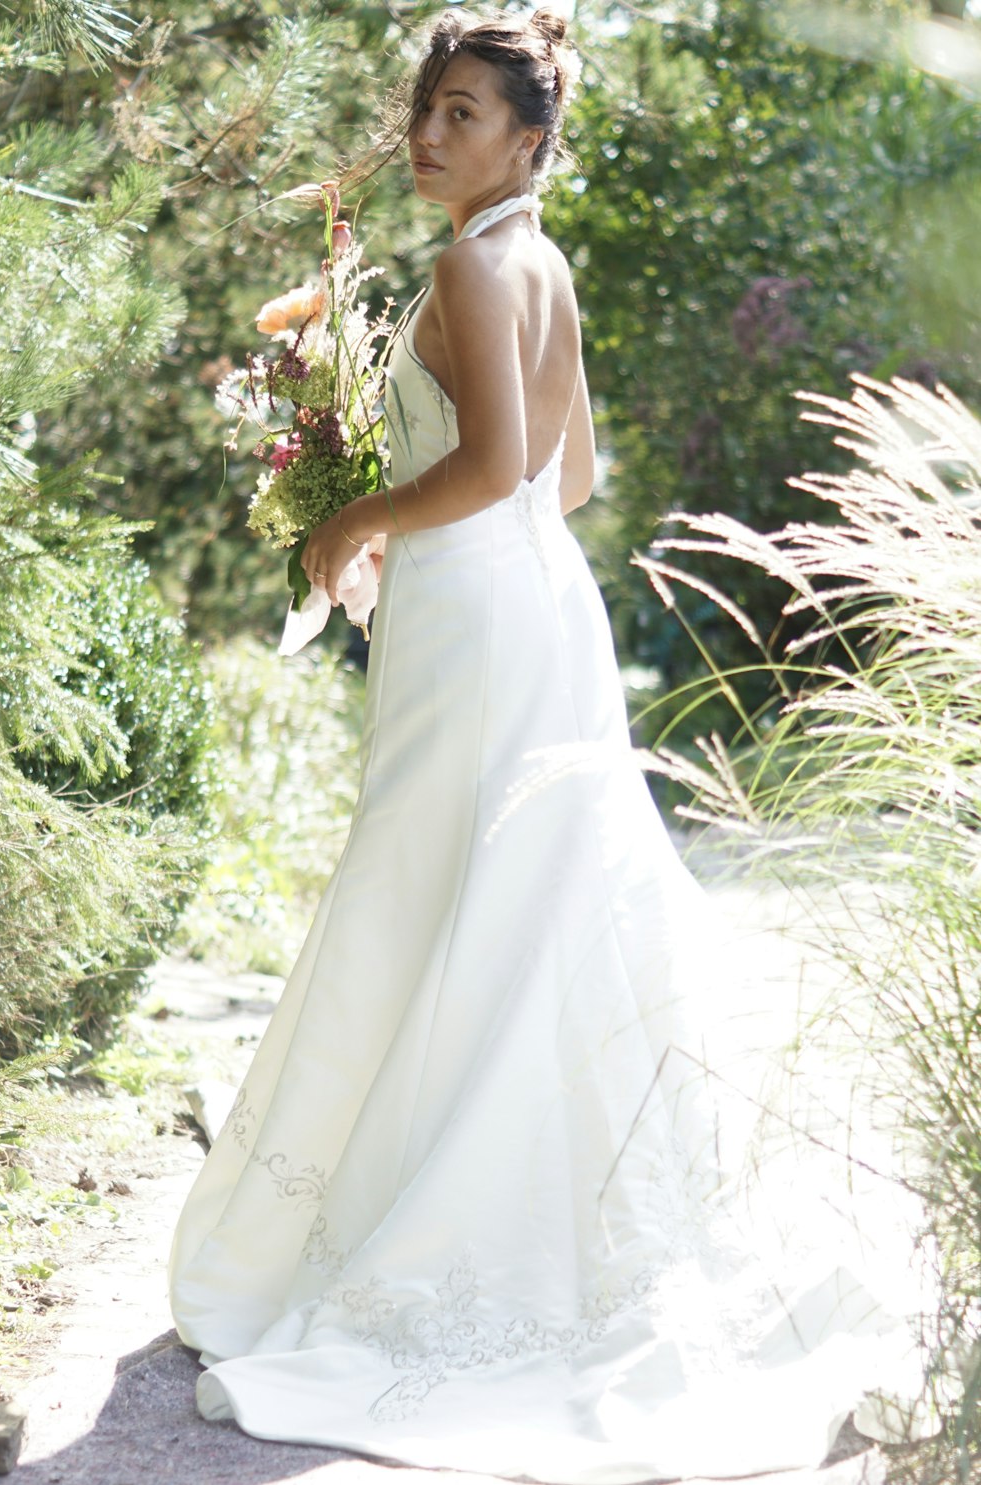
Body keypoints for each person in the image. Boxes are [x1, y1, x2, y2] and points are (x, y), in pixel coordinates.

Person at [169, 10, 931, 1481]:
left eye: (462, 113)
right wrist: (419, 511)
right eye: (425, 108)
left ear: (529, 138)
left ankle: (422, 1222)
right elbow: (568, 477)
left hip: (482, 628)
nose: (429, 134)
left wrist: (358, 518)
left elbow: (511, 464)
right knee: (511, 898)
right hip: (526, 608)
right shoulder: (538, 259)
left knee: (456, 892)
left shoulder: (470, 260)